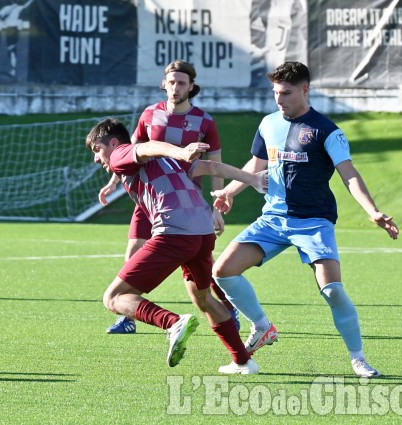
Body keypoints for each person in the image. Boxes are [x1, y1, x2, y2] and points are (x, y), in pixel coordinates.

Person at [211, 61, 399, 378]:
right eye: (275, 93)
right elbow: (256, 164)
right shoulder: (268, 123)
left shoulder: (327, 130)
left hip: (313, 222)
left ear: (305, 90)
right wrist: (230, 191)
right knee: (223, 271)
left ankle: (358, 359)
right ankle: (261, 326)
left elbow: (349, 174)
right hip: (273, 218)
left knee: (333, 291)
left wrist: (373, 211)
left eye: (286, 93)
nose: (279, 100)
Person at [86, 117, 267, 373]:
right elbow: (208, 167)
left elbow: (146, 147)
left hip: (174, 232)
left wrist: (180, 150)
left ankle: (172, 323)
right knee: (203, 298)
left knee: (113, 297)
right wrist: (251, 179)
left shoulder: (120, 153)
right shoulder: (163, 161)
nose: (96, 158)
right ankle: (243, 361)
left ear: (113, 143)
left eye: (97, 150)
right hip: (203, 233)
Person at [99, 60, 240, 334]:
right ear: (164, 84)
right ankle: (129, 317)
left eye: (182, 83)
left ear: (191, 87)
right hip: (150, 198)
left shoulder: (205, 121)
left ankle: (225, 308)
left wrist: (217, 207)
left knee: (197, 268)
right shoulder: (150, 114)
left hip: (185, 202)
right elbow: (131, 153)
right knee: (133, 252)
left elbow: (215, 163)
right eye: (171, 82)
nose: (175, 87)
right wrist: (112, 181)